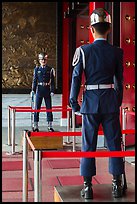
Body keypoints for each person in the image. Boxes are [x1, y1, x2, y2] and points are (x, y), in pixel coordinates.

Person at [69, 8, 125, 199]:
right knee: (114, 144)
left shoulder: (83, 51)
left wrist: (74, 104)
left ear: (91, 30)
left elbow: (76, 79)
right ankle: (116, 184)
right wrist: (116, 101)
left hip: (90, 103)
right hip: (109, 101)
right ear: (108, 29)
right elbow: (119, 81)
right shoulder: (117, 52)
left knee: (88, 145)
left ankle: (87, 187)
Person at [31, 52, 55, 132]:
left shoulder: (50, 69)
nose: (43, 61)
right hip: (39, 90)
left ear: (46, 60)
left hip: (47, 89)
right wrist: (33, 90)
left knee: (49, 108)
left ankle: (50, 126)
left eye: (44, 59)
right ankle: (36, 125)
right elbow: (34, 81)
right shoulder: (37, 69)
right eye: (41, 59)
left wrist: (52, 90)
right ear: (39, 60)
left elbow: (52, 82)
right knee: (37, 108)